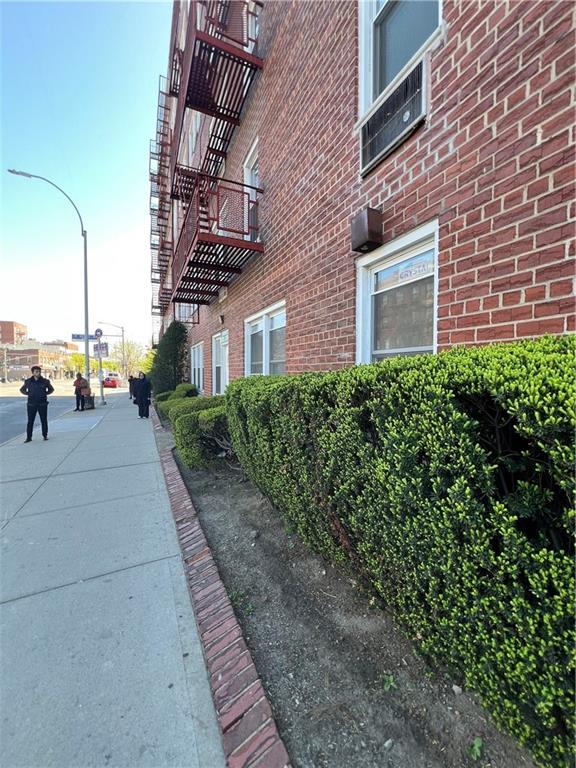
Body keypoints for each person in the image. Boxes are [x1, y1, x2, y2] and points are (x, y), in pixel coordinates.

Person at [20, 365, 54, 442]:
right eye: (36, 372)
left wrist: (45, 394)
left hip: (42, 404)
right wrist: (29, 394)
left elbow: (51, 389)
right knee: (30, 421)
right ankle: (29, 437)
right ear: (33, 373)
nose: (38, 373)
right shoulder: (28, 381)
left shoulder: (45, 381)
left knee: (44, 420)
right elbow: (22, 390)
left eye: (39, 371)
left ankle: (45, 435)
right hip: (31, 404)